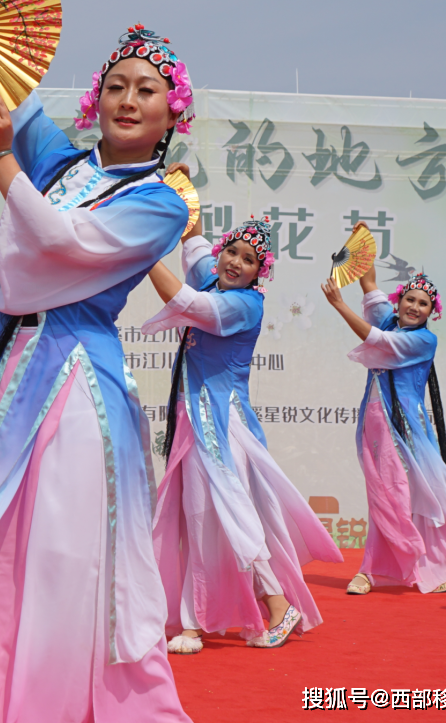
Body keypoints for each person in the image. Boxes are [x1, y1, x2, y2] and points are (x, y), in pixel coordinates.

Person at [0, 15, 196, 721]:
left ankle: (54, 702)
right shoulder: (64, 162)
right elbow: (2, 82)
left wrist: (0, 162)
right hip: (16, 370)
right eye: (117, 85)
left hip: (77, 385)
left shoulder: (157, 202)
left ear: (172, 112)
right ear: (96, 98)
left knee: (63, 553)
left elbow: (61, 245)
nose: (129, 99)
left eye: (148, 90)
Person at [141, 210, 343, 654]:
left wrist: (140, 247)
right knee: (195, 519)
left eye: (248, 259)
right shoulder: (212, 277)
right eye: (230, 251)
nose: (235, 262)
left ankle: (273, 605)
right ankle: (196, 620)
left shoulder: (245, 304)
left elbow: (188, 306)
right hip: (195, 421)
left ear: (260, 272)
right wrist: (182, 189)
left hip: (221, 424)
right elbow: (192, 240)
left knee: (225, 514)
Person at [321, 259, 446, 594]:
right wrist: (363, 248)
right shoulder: (388, 320)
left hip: (404, 429)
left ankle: (372, 571)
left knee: (395, 496)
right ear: (399, 300)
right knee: (396, 496)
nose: (414, 306)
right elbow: (369, 285)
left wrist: (339, 305)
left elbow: (377, 341)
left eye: (423, 303)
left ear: (431, 312)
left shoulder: (424, 341)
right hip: (375, 422)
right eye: (410, 299)